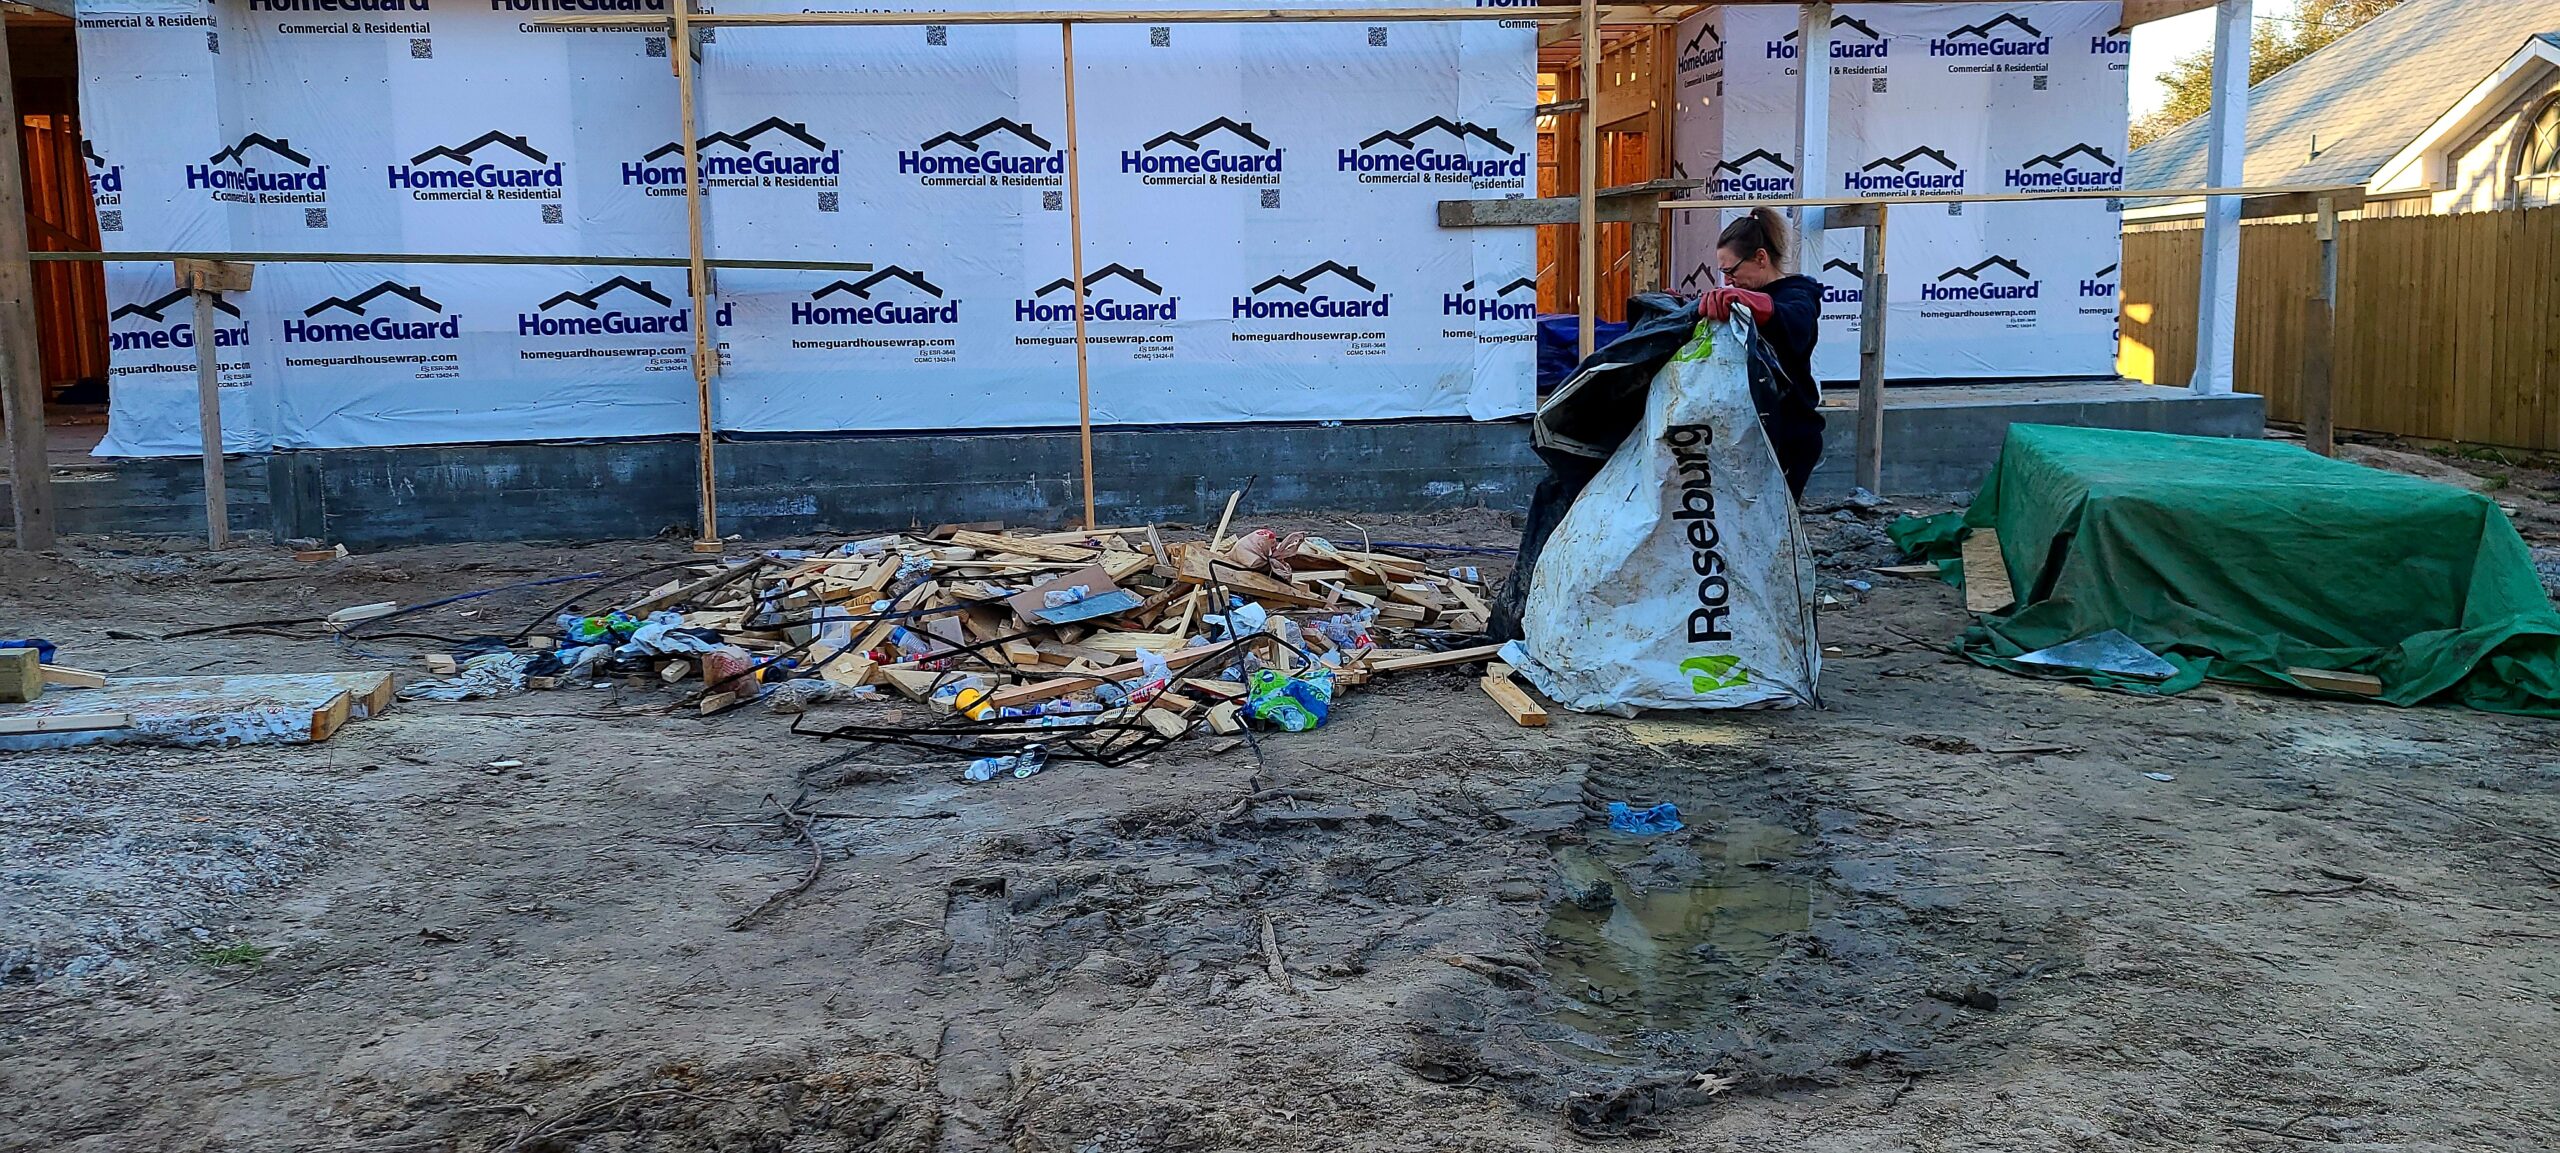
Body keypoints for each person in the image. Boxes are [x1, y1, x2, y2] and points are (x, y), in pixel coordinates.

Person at [1698, 207, 1826, 498]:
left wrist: (1745, 299)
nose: (1728, 281)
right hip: (1751, 435)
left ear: (1760, 258)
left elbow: (1794, 319)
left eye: (1732, 271)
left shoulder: (1797, 294)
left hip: (1790, 438)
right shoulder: (1745, 300)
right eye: (1723, 274)